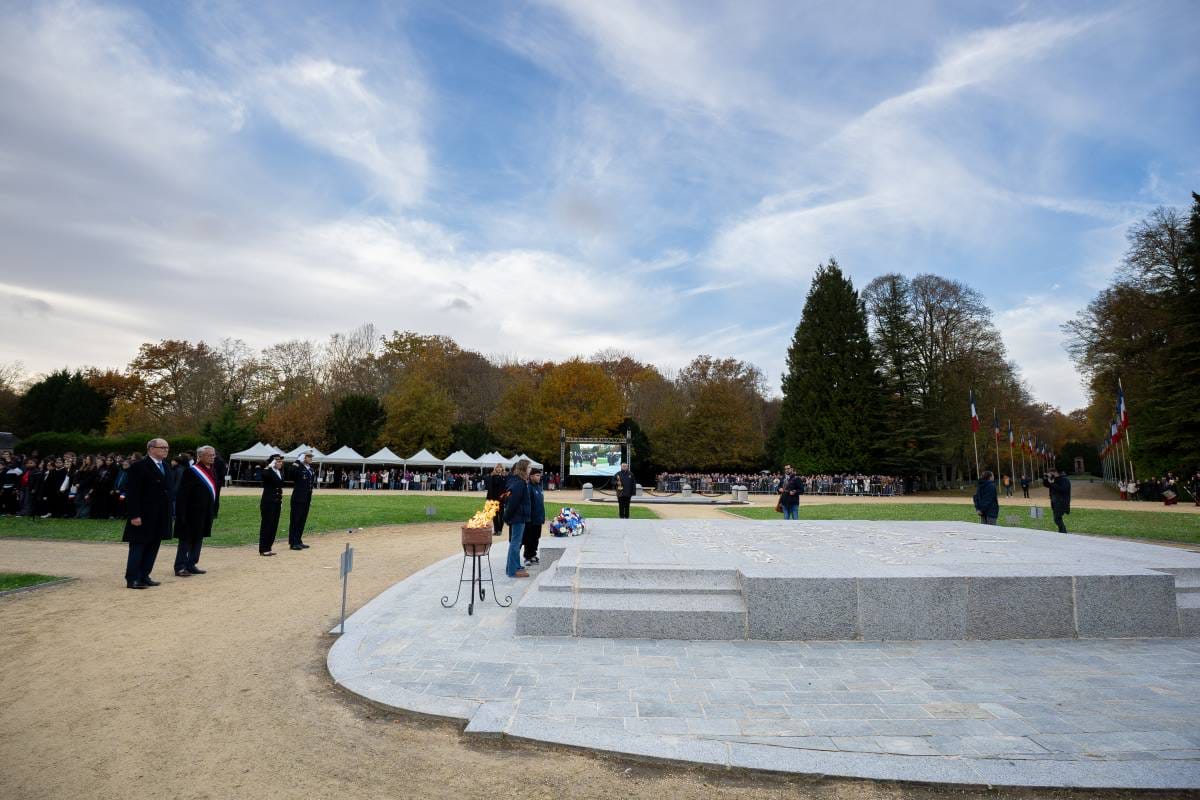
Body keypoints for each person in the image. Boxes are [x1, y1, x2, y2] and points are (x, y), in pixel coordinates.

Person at [122, 438, 175, 589]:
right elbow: (132, 492)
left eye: (167, 447)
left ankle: (144, 575)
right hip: (144, 514)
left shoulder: (165, 466)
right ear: (151, 449)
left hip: (161, 515)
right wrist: (134, 515)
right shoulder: (139, 466)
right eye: (162, 447)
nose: (166, 450)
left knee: (153, 546)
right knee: (138, 546)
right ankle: (132, 578)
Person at [174, 445, 218, 577]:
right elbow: (183, 494)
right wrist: (182, 513)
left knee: (199, 538)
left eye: (213, 455)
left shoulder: (212, 470)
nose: (212, 457)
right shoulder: (191, 471)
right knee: (186, 539)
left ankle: (191, 564)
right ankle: (180, 566)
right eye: (209, 455)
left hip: (205, 512)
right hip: (191, 512)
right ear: (200, 456)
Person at [503, 459, 531, 578]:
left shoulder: (519, 481)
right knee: (515, 543)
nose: (530, 470)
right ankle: (512, 570)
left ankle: (514, 566)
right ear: (524, 468)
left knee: (516, 543)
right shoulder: (519, 483)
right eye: (529, 467)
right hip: (518, 517)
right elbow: (513, 502)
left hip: (519, 516)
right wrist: (507, 517)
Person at [288, 451, 316, 550]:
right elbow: (291, 474)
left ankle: (298, 540)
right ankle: (293, 542)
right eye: (308, 456)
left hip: (306, 498)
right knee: (295, 519)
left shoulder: (310, 469)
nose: (311, 458)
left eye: (311, 456)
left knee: (302, 520)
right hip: (298, 498)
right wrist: (297, 461)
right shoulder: (298, 467)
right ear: (303, 457)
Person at [259, 454, 285, 556]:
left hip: (277, 502)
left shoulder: (278, 472)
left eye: (280, 461)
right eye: (277, 461)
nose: (280, 463)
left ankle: (268, 547)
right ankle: (263, 548)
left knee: (274, 525)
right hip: (268, 502)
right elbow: (263, 475)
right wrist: (269, 466)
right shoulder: (268, 471)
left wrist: (280, 501)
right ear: (272, 462)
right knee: (267, 525)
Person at [523, 467, 545, 567]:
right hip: (531, 519)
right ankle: (527, 557)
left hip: (538, 518)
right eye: (537, 475)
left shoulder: (538, 487)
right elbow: (528, 504)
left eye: (540, 475)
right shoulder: (529, 487)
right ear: (531, 476)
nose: (539, 477)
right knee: (529, 538)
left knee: (536, 538)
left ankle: (533, 554)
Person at [486, 463, 507, 537]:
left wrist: (505, 498)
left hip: (501, 499)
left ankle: (500, 530)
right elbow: (489, 488)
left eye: (500, 467)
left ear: (502, 469)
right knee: (494, 515)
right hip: (493, 498)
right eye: (497, 467)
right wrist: (488, 499)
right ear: (495, 468)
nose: (499, 469)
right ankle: (496, 530)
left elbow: (506, 489)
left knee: (501, 515)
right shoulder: (492, 476)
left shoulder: (504, 477)